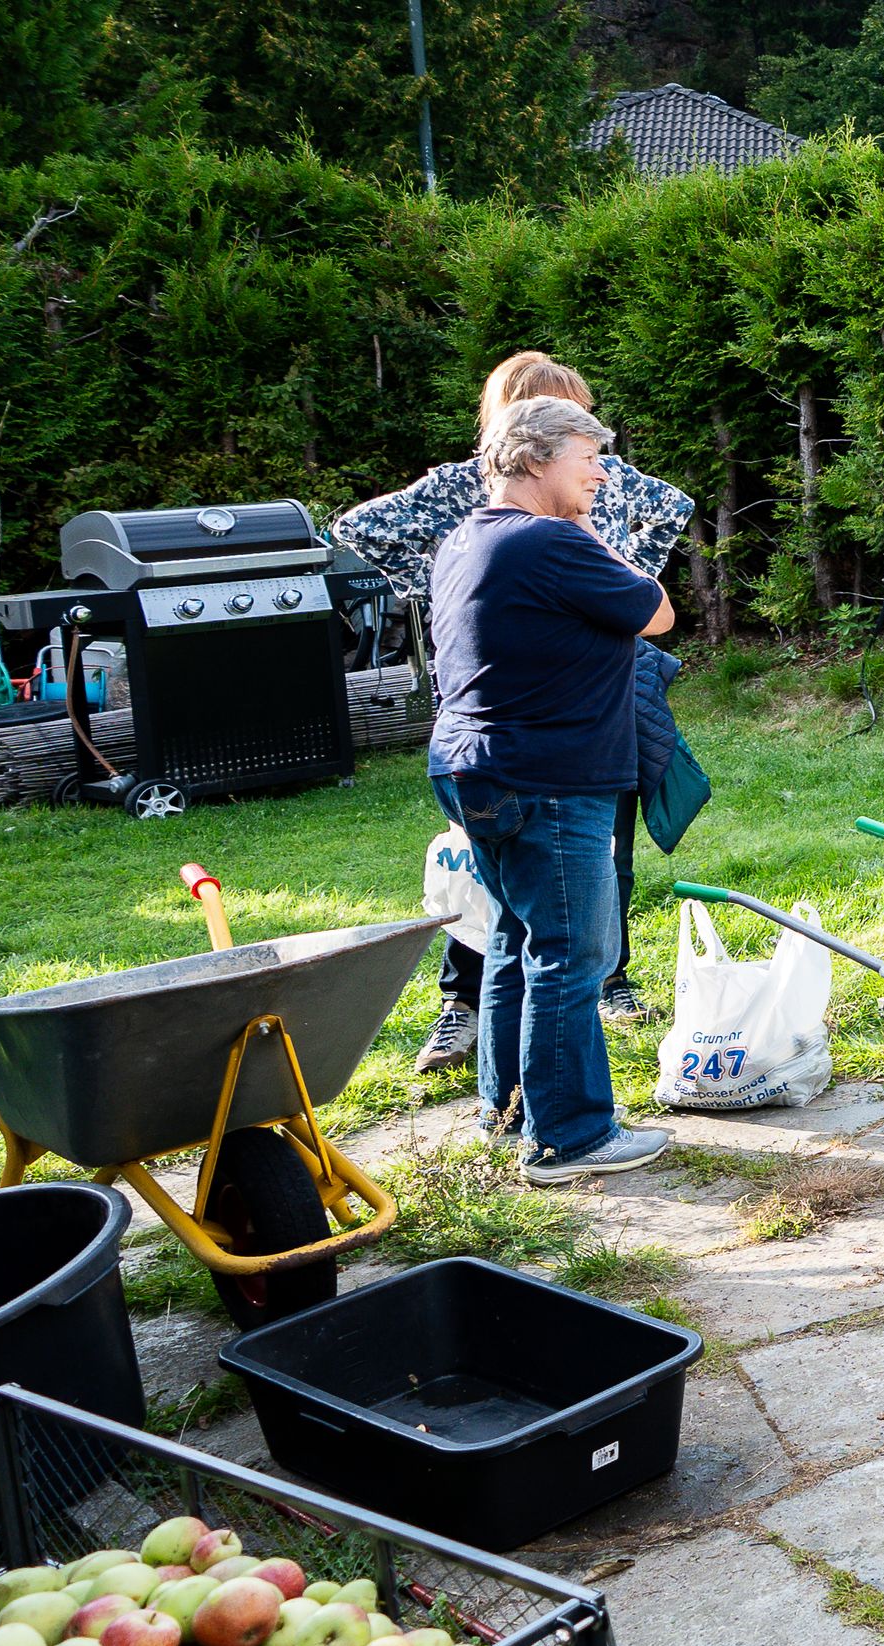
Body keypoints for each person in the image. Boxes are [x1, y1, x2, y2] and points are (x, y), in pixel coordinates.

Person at [339, 351, 692, 1063]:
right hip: (528, 734)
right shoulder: (482, 507)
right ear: (524, 439)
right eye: (579, 441)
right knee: (538, 925)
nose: (597, 464)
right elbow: (658, 615)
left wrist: (606, 580)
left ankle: (522, 1084)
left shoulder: (570, 500)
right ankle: (560, 1124)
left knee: (551, 896)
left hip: (561, 708)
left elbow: (669, 512)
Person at [427, 396, 678, 1185]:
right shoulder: (552, 542)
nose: (601, 475)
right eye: (588, 459)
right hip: (548, 775)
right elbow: (658, 613)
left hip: (472, 767)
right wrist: (586, 530)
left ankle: (504, 1116)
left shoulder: (466, 538)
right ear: (536, 459)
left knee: (511, 940)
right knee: (574, 953)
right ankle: (568, 1138)